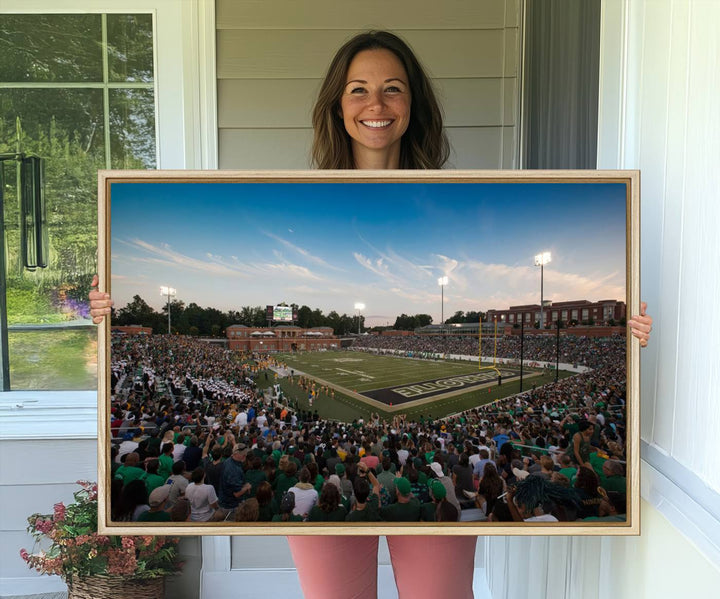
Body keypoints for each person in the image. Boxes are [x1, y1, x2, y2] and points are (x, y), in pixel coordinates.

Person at [90, 28, 653, 599]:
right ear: (338, 104)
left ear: (414, 104)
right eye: (358, 89)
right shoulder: (300, 192)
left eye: (393, 89)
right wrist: (105, 312)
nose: (375, 104)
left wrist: (630, 336)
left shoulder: (456, 193)